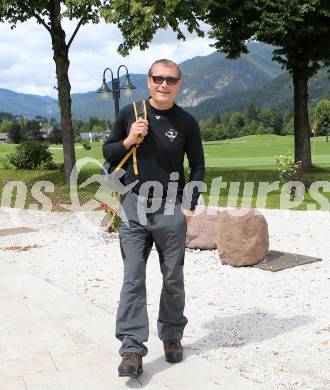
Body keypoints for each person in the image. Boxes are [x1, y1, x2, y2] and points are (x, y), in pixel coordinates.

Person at [102, 59, 205, 377]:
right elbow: (108, 153)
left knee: (173, 277)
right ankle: (132, 349)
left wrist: (189, 206)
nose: (164, 84)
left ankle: (172, 336)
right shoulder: (129, 114)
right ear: (148, 81)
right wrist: (129, 139)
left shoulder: (186, 122)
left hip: (171, 207)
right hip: (133, 206)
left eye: (170, 80)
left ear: (179, 84)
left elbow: (198, 166)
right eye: (158, 78)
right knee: (133, 278)